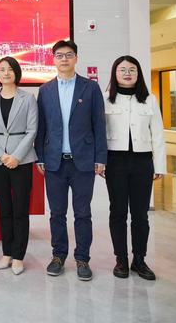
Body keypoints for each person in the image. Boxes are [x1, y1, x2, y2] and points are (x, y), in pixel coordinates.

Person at [35, 40, 107, 281]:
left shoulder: (90, 88)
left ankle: (82, 259)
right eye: (59, 55)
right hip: (54, 162)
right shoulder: (45, 90)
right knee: (57, 213)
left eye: (68, 55)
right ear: (53, 59)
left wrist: (101, 157)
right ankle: (58, 256)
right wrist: (40, 156)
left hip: (83, 161)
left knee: (83, 213)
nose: (64, 59)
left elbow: (99, 125)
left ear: (76, 58)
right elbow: (41, 127)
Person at [104, 55, 166, 280]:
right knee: (118, 212)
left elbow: (157, 134)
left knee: (140, 214)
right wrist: (99, 162)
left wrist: (159, 165)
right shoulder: (106, 99)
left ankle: (139, 260)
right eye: (122, 69)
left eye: (132, 69)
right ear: (115, 73)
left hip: (142, 163)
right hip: (115, 162)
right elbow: (99, 133)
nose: (127, 73)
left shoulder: (150, 99)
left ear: (138, 73)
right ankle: (121, 260)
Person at [0, 57, 38, 275]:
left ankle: (18, 256)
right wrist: (0, 155)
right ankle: (6, 252)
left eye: (9, 69)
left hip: (22, 160)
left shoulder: (28, 98)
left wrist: (16, 156)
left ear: (17, 72)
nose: (5, 73)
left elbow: (32, 130)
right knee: (4, 208)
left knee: (20, 209)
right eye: (2, 69)